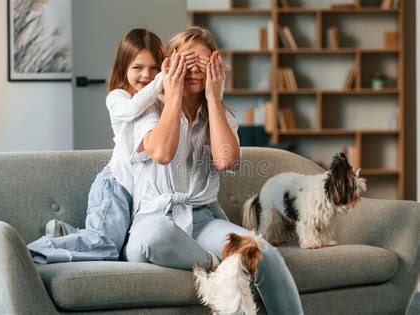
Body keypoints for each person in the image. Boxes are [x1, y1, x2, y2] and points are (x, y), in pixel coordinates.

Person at [123, 27, 304, 315]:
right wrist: (172, 94)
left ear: (217, 67)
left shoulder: (220, 114)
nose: (195, 69)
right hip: (153, 222)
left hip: (202, 221)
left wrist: (213, 97)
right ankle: (222, 268)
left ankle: (234, 266)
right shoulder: (146, 108)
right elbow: (162, 153)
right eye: (187, 61)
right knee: (158, 233)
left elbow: (225, 160)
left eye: (204, 63)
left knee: (261, 251)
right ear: (171, 64)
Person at [27, 28, 197, 263]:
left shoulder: (157, 103)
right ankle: (34, 251)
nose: (146, 75)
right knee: (105, 248)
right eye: (138, 67)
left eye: (154, 68)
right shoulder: (118, 98)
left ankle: (64, 232)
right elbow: (133, 108)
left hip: (135, 194)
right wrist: (162, 80)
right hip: (116, 186)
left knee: (118, 250)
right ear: (123, 68)